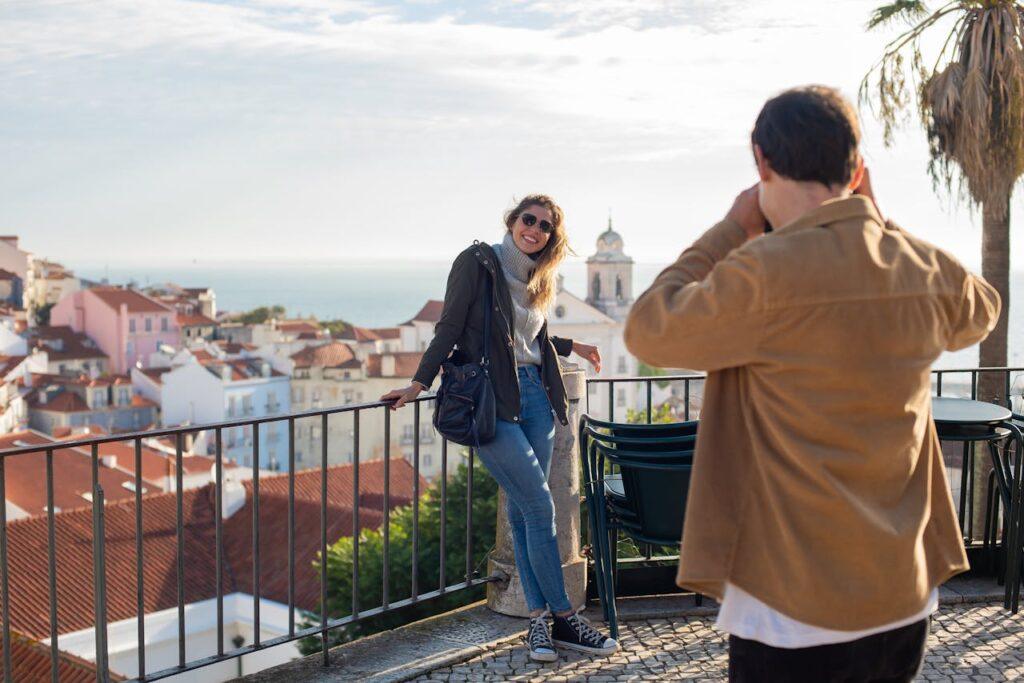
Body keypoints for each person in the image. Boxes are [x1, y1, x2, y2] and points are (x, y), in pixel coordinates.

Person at [624, 86, 1000, 682]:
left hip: (792, 606)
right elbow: (982, 307)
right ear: (856, 171)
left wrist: (730, 228)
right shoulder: (917, 269)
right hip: (900, 593)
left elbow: (648, 329)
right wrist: (880, 222)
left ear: (762, 161)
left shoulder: (764, 272)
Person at [382, 194, 618, 662]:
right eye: (528, 219)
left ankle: (537, 625)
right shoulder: (477, 262)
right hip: (490, 400)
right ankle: (566, 618)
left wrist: (574, 345)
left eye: (545, 226)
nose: (534, 229)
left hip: (536, 395)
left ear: (552, 236)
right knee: (538, 503)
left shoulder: (538, 277)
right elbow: (450, 327)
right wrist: (417, 383)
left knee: (522, 513)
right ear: (511, 222)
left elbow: (531, 336)